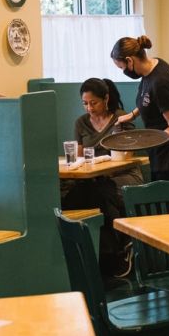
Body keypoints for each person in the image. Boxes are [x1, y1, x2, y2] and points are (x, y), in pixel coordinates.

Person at [61, 77, 142, 278]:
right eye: (85, 103)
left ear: (106, 99)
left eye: (93, 103)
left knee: (101, 192)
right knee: (74, 196)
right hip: (94, 179)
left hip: (125, 176)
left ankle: (121, 247)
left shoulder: (120, 119)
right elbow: (79, 157)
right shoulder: (81, 123)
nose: (89, 108)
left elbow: (127, 156)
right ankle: (96, 254)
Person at [111, 35, 169, 181]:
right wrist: (132, 115)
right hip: (165, 149)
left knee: (162, 202)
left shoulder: (161, 82)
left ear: (129, 60)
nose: (124, 71)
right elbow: (150, 99)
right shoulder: (152, 68)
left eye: (122, 67)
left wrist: (145, 141)